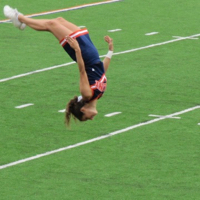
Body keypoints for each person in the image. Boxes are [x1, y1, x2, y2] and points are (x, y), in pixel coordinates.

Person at [3, 5, 114, 125]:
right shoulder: (99, 95)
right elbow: (102, 71)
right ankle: (21, 23)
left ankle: (18, 17)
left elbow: (82, 71)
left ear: (83, 109)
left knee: (52, 25)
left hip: (83, 52)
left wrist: (77, 50)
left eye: (86, 118)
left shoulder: (87, 94)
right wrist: (110, 51)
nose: (91, 118)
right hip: (90, 50)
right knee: (60, 20)